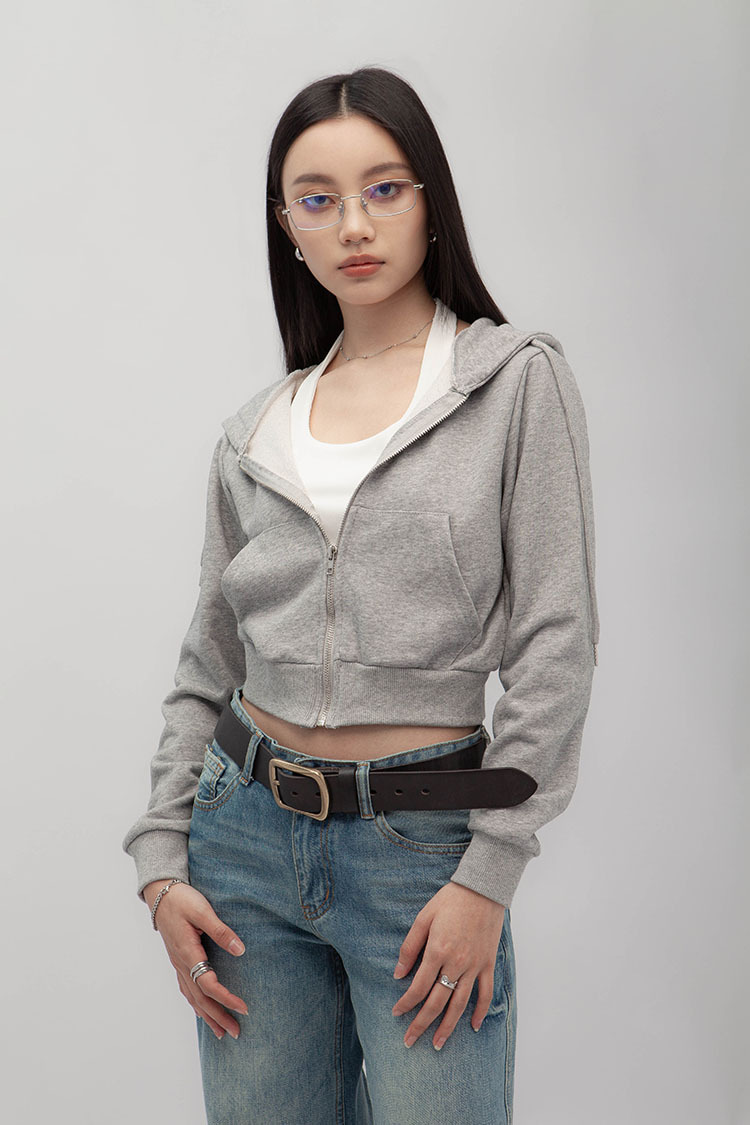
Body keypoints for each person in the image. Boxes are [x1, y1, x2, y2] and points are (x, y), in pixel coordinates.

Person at [122, 65, 600, 1125]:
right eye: (318, 198)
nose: (354, 224)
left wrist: (487, 874)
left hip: (422, 848)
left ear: (431, 199)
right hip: (242, 841)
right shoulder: (256, 431)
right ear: (286, 224)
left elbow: (557, 643)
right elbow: (209, 661)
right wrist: (161, 860)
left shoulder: (514, 383)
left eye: (385, 189)